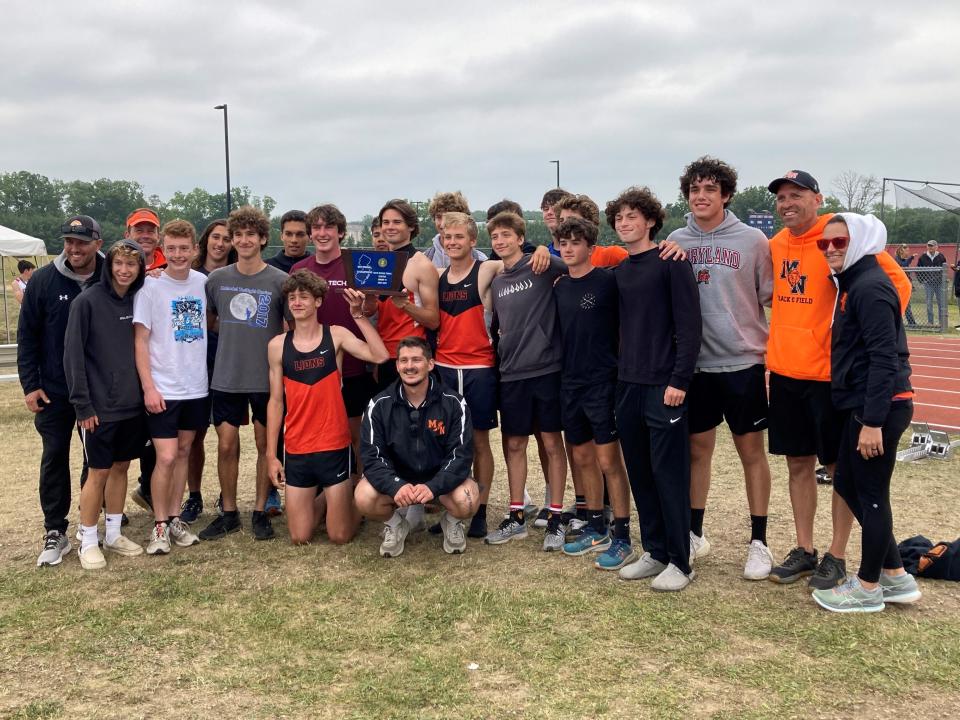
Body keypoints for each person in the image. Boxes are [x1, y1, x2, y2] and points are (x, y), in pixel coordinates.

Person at [764, 170, 911, 590]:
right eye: (781, 197)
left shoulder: (839, 235)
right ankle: (805, 549)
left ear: (817, 197)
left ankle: (838, 554)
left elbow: (894, 283)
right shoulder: (775, 245)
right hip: (787, 372)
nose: (787, 203)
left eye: (797, 195)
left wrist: (853, 331)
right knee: (798, 464)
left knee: (839, 468)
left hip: (830, 377)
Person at [664, 156, 775, 580]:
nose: (701, 196)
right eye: (694, 190)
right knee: (697, 452)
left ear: (726, 195)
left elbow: (769, 297)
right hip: (696, 366)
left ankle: (759, 542)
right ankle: (695, 533)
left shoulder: (752, 241)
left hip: (743, 361)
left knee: (751, 452)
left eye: (710, 189)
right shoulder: (675, 240)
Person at [811, 213, 921, 612]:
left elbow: (884, 359)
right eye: (825, 244)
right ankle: (895, 575)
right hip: (862, 404)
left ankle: (869, 586)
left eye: (839, 242)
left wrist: (872, 422)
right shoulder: (852, 283)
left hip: (878, 407)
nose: (831, 251)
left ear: (859, 241)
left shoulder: (871, 287)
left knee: (871, 495)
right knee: (849, 486)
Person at [608, 187, 702, 591]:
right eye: (619, 217)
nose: (625, 223)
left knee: (669, 473)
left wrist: (679, 380)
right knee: (641, 472)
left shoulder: (672, 262)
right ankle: (655, 551)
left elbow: (690, 326)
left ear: (649, 221)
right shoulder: (620, 271)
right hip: (627, 385)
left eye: (632, 216)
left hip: (665, 386)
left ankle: (681, 561)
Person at [265, 271, 388, 545]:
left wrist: (359, 315)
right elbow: (275, 402)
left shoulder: (336, 336)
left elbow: (380, 355)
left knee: (339, 536)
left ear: (318, 301)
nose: (297, 302)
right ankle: (327, 499)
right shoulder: (277, 346)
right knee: (299, 537)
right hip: (297, 447)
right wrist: (272, 455)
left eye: (304, 297)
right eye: (292, 297)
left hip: (333, 444)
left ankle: (354, 493)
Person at [19, 215, 105, 567]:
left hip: (97, 389)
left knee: (95, 460)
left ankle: (90, 527)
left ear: (98, 243)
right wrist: (31, 384)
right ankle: (55, 530)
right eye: (69, 241)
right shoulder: (42, 280)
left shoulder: (110, 274)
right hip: (54, 389)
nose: (74, 248)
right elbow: (28, 336)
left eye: (82, 242)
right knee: (54, 456)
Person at [198, 206, 288, 542]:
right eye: (239, 235)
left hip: (266, 380)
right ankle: (230, 512)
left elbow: (288, 327)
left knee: (266, 446)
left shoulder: (279, 281)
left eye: (251, 234)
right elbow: (209, 321)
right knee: (226, 445)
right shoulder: (217, 280)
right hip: (227, 377)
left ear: (263, 238)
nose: (245, 240)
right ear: (233, 240)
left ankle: (261, 511)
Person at [552, 217, 635, 571]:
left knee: (608, 462)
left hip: (603, 382)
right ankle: (596, 526)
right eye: (563, 243)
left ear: (589, 245)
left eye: (575, 242)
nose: (568, 249)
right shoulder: (558, 286)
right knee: (583, 459)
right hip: (570, 382)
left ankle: (623, 535)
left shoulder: (609, 281)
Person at [483, 211, 569, 551]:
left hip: (546, 369)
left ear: (521, 237)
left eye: (507, 235)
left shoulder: (541, 264)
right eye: (495, 237)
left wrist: (551, 254)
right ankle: (516, 516)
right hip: (511, 373)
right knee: (515, 444)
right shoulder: (497, 279)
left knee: (551, 443)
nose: (501, 241)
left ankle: (557, 516)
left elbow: (579, 268)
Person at [64, 239, 147, 569]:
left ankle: (113, 533)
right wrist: (83, 406)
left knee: (122, 468)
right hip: (98, 409)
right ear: (108, 265)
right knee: (96, 472)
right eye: (119, 263)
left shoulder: (139, 301)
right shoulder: (87, 302)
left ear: (140, 268)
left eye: (132, 264)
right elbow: (73, 358)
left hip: (131, 405)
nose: (124, 270)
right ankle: (87, 540)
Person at [354, 337, 478, 557]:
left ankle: (451, 522)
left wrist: (433, 486)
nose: (409, 366)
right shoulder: (379, 405)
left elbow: (461, 455)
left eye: (416, 360)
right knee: (363, 496)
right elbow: (372, 458)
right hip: (400, 482)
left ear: (430, 364)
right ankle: (395, 525)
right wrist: (396, 486)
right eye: (404, 360)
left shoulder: (453, 402)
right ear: (397, 365)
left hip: (439, 482)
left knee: (467, 499)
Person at [133, 220, 208, 555]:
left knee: (182, 452)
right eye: (172, 248)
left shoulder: (203, 283)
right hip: (163, 387)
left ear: (194, 250)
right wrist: (148, 386)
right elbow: (140, 340)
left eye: (184, 248)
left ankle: (176, 517)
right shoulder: (150, 287)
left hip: (196, 387)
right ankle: (159, 524)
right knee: (164, 456)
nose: (178, 255)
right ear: (165, 248)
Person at [292, 204, 380, 479]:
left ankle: (360, 493)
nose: (322, 233)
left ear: (340, 232)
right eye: (316, 228)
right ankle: (321, 490)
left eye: (328, 227)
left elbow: (372, 308)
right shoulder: (299, 268)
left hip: (353, 365)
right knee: (319, 435)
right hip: (312, 368)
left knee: (357, 436)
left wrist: (365, 305)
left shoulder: (356, 264)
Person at [432, 212, 502, 538]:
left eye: (460, 237)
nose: (453, 243)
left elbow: (513, 262)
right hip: (445, 366)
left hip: (478, 367)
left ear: (473, 241)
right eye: (448, 238)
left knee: (478, 441)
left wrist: (542, 253)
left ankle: (481, 509)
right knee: (446, 441)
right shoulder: (437, 275)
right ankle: (450, 507)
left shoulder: (484, 269)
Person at [181, 219, 236, 523]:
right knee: (193, 436)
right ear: (205, 241)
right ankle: (194, 495)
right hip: (194, 364)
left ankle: (227, 496)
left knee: (228, 437)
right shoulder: (189, 277)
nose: (221, 243)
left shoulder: (236, 276)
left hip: (227, 362)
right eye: (216, 237)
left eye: (227, 238)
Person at [363, 199, 440, 398]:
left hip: (411, 356)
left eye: (397, 222)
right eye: (386, 222)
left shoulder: (421, 264)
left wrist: (405, 306)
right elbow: (372, 311)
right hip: (383, 356)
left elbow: (433, 320)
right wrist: (365, 301)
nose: (390, 227)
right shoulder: (379, 263)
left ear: (411, 226)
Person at [553, 194, 628, 268]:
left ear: (589, 223)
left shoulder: (611, 255)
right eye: (561, 221)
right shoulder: (561, 260)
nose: (565, 225)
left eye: (571, 220)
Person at [422, 191, 487, 268]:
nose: (443, 223)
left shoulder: (482, 262)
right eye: (439, 217)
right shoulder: (424, 260)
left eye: (450, 217)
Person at [917, 240, 947, 326]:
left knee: (941, 303)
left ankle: (942, 322)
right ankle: (930, 322)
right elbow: (918, 270)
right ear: (927, 247)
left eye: (932, 246)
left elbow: (944, 269)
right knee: (929, 303)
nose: (930, 247)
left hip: (939, 283)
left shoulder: (941, 256)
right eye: (929, 246)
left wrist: (942, 279)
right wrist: (922, 280)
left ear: (936, 247)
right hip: (928, 284)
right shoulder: (922, 257)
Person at [894, 244, 917, 326]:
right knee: (903, 305)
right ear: (901, 251)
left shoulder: (904, 260)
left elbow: (906, 264)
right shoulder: (896, 259)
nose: (908, 252)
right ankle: (910, 323)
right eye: (906, 250)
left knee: (907, 305)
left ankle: (911, 323)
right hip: (899, 286)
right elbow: (903, 265)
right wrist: (911, 258)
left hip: (905, 285)